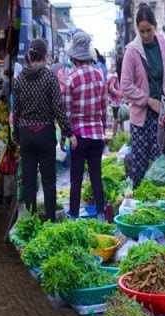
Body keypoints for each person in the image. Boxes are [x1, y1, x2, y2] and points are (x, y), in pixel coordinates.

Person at [13, 38, 70, 221]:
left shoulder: (20, 78)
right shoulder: (49, 77)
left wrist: (16, 136)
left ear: (30, 55)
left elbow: (17, 111)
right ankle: (51, 221)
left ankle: (30, 222)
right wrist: (67, 132)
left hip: (26, 135)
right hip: (45, 134)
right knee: (48, 182)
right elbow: (58, 109)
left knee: (29, 183)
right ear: (45, 57)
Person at [122, 4, 165, 186]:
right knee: (139, 164)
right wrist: (148, 100)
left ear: (155, 26)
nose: (145, 35)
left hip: (161, 117)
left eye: (149, 30)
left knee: (161, 163)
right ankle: (138, 203)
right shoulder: (132, 51)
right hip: (140, 119)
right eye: (142, 31)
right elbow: (126, 86)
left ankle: (161, 203)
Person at [63, 32, 107, 219]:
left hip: (78, 137)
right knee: (96, 177)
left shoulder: (71, 78)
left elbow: (66, 112)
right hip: (96, 135)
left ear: (74, 58)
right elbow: (103, 108)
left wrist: (67, 135)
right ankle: (101, 215)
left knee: (76, 179)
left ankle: (73, 217)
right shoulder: (99, 75)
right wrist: (102, 129)